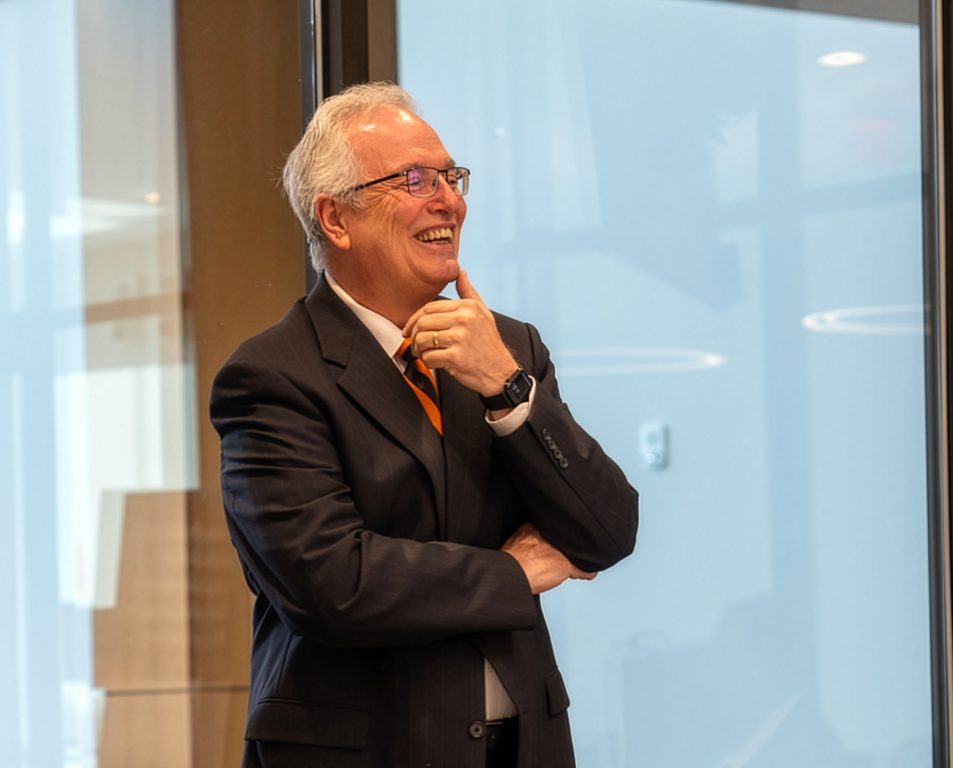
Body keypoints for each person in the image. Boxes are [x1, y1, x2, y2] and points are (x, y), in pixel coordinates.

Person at [210, 81, 638, 768]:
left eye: (451, 177)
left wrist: (507, 388)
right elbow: (333, 584)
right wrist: (513, 573)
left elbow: (608, 530)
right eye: (414, 180)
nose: (449, 202)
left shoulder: (508, 349)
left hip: (524, 746)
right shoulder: (271, 375)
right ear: (336, 219)